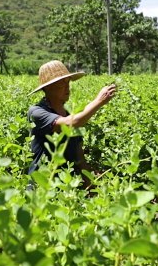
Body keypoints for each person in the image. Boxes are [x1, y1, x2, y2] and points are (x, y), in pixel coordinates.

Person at [27, 60, 116, 189]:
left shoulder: (70, 115)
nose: (67, 87)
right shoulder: (37, 112)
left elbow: (79, 158)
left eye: (67, 82)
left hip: (67, 189)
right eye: (61, 84)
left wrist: (91, 179)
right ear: (47, 88)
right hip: (42, 189)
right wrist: (99, 101)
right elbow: (69, 124)